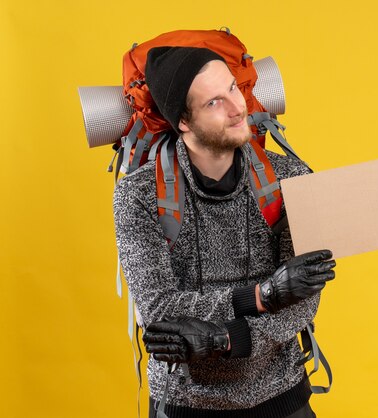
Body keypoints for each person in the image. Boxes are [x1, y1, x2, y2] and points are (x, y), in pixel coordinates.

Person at [113, 46, 336, 418]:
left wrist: (228, 339)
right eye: (215, 102)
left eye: (234, 88)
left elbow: (303, 299)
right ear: (183, 121)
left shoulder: (291, 177)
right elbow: (160, 310)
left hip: (281, 395)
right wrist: (263, 295)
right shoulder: (138, 195)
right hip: (185, 403)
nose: (237, 108)